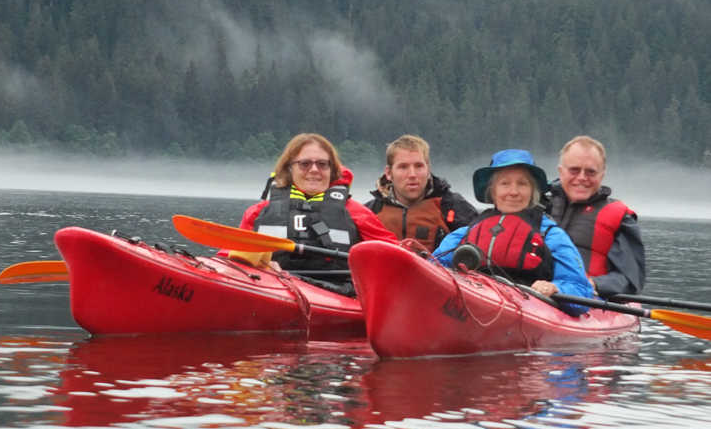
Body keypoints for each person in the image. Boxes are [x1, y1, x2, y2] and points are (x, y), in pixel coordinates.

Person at [434, 149, 593, 314]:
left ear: (533, 191)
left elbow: (580, 289)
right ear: (492, 191)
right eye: (505, 183)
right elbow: (433, 270)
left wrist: (555, 287)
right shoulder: (463, 234)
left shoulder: (551, 235)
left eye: (522, 184)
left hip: (530, 312)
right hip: (473, 307)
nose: (513, 192)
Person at [237, 133, 398, 286]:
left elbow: (394, 255)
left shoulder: (356, 213)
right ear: (290, 168)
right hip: (272, 285)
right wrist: (260, 267)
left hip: (337, 291)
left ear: (332, 170)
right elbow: (232, 259)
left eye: (322, 164)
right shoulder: (257, 213)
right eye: (305, 164)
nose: (314, 170)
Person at [547, 136, 645, 298]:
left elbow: (629, 279)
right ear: (560, 171)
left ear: (602, 175)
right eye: (574, 170)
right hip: (534, 292)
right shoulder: (538, 206)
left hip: (584, 301)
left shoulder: (621, 219)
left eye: (591, 172)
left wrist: (593, 284)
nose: (582, 178)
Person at [365, 134, 477, 251]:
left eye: (419, 166)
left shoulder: (452, 206)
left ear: (428, 170)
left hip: (437, 268)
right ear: (388, 173)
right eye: (403, 167)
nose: (412, 174)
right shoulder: (370, 212)